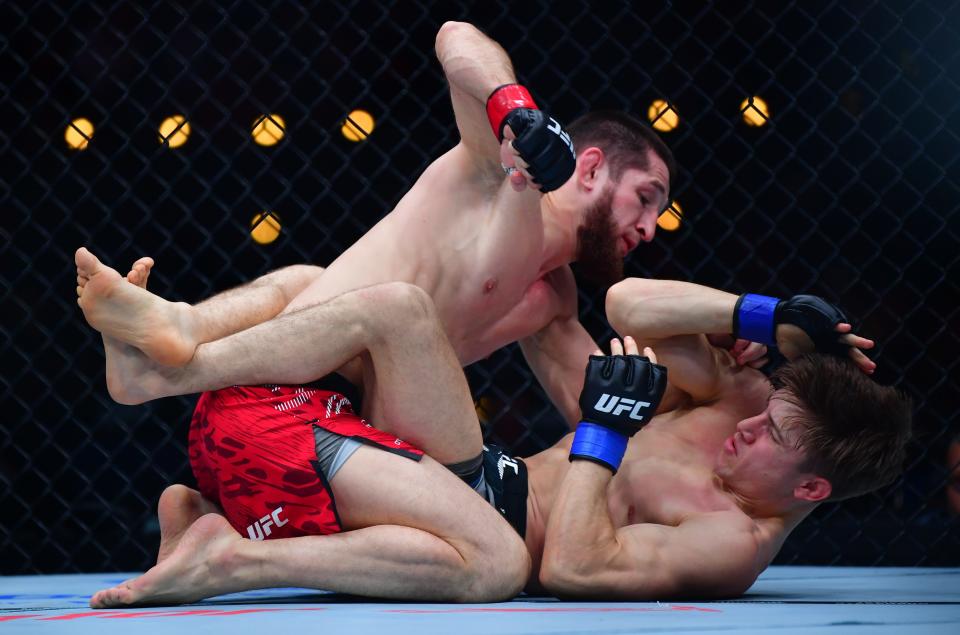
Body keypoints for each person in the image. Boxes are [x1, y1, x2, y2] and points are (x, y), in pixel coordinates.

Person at [77, 20, 677, 501]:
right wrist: (516, 110)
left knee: (334, 292)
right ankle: (172, 347)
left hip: (349, 437)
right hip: (293, 387)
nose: (650, 230)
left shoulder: (553, 303)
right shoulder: (492, 172)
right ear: (593, 167)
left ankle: (197, 494)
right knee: (334, 289)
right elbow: (455, 35)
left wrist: (725, 351)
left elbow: (605, 417)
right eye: (645, 199)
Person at [82, 272, 910, 607]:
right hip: (470, 472)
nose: (752, 423)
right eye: (769, 408)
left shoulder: (732, 542)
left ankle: (223, 543)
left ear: (809, 488)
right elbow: (627, 303)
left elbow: (574, 566)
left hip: (491, 514)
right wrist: (759, 315)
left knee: (503, 565)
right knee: (359, 298)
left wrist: (604, 431)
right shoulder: (742, 403)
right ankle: (169, 352)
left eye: (776, 435)